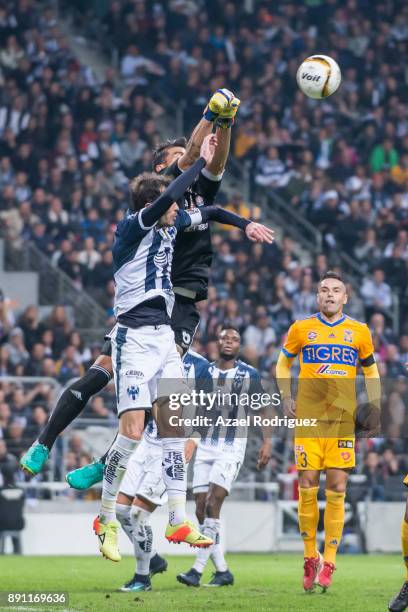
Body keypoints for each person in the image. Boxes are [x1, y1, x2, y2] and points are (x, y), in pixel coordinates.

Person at [20, 87, 241, 479]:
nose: (190, 159)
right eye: (176, 159)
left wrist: (225, 123)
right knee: (98, 373)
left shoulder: (198, 194)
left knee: (160, 399)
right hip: (145, 303)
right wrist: (209, 115)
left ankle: (104, 466)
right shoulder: (157, 198)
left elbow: (215, 164)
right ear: (161, 169)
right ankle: (44, 441)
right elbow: (193, 156)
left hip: (182, 301)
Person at [93, 134, 273, 562]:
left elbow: (207, 210)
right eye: (174, 205)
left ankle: (176, 517)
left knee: (176, 427)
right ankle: (104, 517)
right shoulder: (133, 224)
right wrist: (197, 163)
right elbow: (171, 193)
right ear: (155, 205)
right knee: (133, 432)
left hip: (162, 339)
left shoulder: (172, 222)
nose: (181, 210)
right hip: (133, 337)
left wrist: (243, 223)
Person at [276, 271, 381, 592]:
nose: (330, 295)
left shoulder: (359, 332)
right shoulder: (301, 328)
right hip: (309, 420)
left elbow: (372, 369)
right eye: (324, 290)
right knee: (307, 484)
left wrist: (374, 403)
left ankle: (330, 561)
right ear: (317, 296)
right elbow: (283, 364)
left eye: (336, 290)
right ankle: (310, 557)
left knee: (337, 486)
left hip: (341, 422)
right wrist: (285, 396)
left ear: (345, 298)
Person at [177, 326, 272, 588]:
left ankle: (196, 571)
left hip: (231, 447)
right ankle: (222, 570)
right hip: (205, 444)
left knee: (212, 505)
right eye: (224, 338)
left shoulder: (248, 375)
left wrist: (267, 442)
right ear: (216, 343)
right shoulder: (205, 371)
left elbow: (263, 410)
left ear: (239, 346)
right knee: (199, 509)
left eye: (234, 339)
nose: (229, 342)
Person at [115, 349, 210, 593]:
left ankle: (142, 577)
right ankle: (154, 559)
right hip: (146, 442)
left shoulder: (199, 365)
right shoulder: (151, 352)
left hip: (172, 447)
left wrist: (194, 441)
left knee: (138, 514)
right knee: (121, 510)